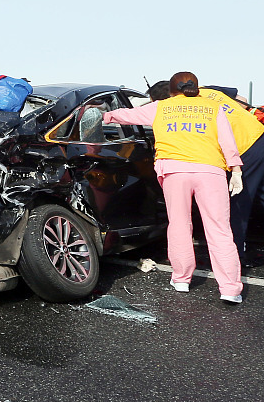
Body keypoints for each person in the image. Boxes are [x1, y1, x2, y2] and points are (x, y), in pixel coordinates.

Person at [104, 72, 245, 303]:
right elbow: (227, 141)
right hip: (210, 171)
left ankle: (181, 279)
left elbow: (127, 116)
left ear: (171, 91)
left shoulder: (161, 107)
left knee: (179, 225)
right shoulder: (213, 107)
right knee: (219, 229)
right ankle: (230, 289)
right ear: (196, 89)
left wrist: (102, 115)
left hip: (174, 172)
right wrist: (236, 170)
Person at [150, 83, 264, 271]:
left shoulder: (180, 109)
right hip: (263, 139)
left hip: (244, 152)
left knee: (236, 205)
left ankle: (235, 257)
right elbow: (243, 102)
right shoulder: (207, 89)